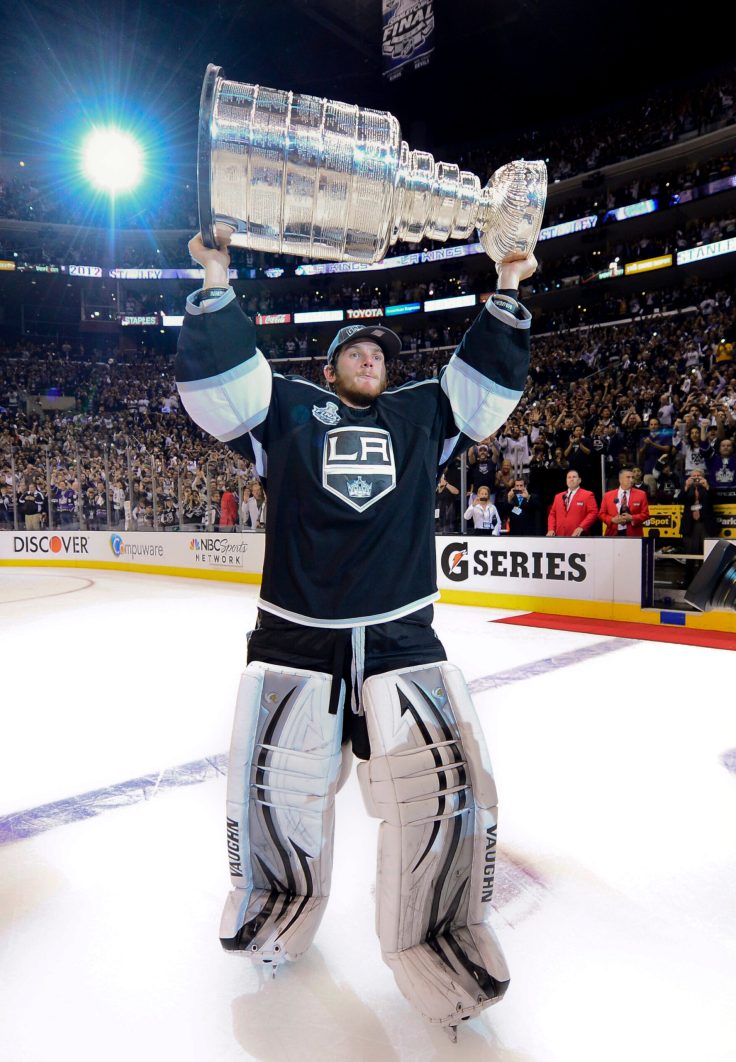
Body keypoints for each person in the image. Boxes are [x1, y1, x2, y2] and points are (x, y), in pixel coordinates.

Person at [176, 225, 537, 1034]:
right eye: (356, 350)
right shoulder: (287, 410)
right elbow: (221, 391)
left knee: (440, 787)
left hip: (402, 633)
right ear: (331, 365)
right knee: (277, 784)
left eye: (380, 350)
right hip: (296, 634)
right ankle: (276, 897)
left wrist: (508, 286)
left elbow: (482, 387)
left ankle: (441, 933)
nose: (372, 355)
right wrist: (214, 279)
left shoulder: (422, 416)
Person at [598, 467, 650, 537]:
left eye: (632, 477)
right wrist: (612, 519)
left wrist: (632, 518)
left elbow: (646, 514)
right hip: (612, 534)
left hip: (634, 534)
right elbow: (601, 514)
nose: (631, 480)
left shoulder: (641, 494)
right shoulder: (607, 495)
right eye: (628, 477)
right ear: (620, 480)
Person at [546, 469, 598, 537]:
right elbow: (552, 514)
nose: (571, 479)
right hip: (560, 537)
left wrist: (581, 527)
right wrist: (551, 529)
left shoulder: (588, 495)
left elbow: (593, 513)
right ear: (566, 480)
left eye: (574, 477)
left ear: (579, 480)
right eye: (569, 477)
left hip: (579, 537)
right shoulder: (558, 497)